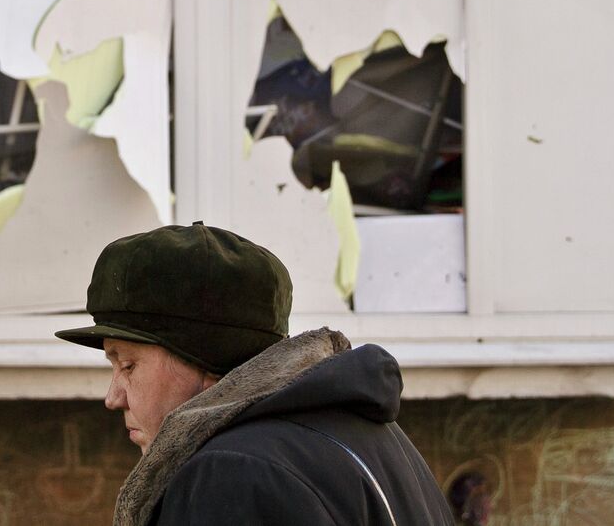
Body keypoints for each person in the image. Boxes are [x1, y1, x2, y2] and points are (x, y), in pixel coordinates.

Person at [57, 222, 452, 525]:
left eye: (128, 365)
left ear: (205, 356)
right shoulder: (372, 437)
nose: (113, 397)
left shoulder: (231, 475)